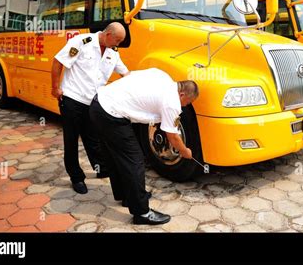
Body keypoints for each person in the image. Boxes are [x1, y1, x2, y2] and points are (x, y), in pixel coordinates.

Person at [89, 68, 199, 225]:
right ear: (182, 95)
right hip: (111, 114)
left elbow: (132, 75)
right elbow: (173, 135)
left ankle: (126, 196)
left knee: (116, 156)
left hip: (99, 103)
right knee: (135, 161)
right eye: (187, 102)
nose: (185, 106)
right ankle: (142, 213)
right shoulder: (172, 101)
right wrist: (185, 151)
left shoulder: (163, 76)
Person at [51, 22, 130, 194]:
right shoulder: (81, 42)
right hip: (72, 99)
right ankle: (76, 177)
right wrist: (55, 88)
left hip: (93, 102)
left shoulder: (112, 53)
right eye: (117, 40)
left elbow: (126, 74)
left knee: (93, 137)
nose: (118, 44)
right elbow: (58, 61)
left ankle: (100, 167)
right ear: (108, 34)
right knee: (71, 140)